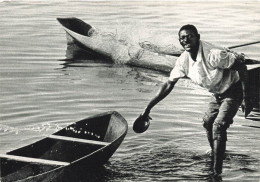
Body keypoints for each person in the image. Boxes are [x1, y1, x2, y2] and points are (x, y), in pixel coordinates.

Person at [141, 24, 252, 176]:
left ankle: (216, 172)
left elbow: (242, 67)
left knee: (219, 126)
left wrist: (247, 98)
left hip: (235, 90)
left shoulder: (214, 54)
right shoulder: (183, 61)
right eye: (182, 38)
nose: (186, 40)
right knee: (208, 122)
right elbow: (168, 84)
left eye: (190, 36)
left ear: (198, 38)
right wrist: (147, 109)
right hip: (217, 93)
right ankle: (216, 154)